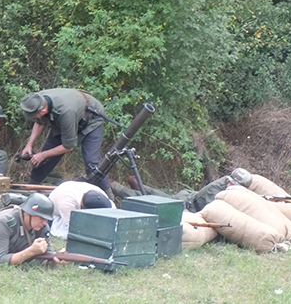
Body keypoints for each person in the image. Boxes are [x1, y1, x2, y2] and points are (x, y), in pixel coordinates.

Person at [20, 88, 110, 193]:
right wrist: (29, 145)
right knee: (44, 159)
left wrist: (43, 155)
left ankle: (108, 195)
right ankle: (31, 189)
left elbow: (69, 146)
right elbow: (40, 122)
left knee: (92, 162)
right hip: (66, 119)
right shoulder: (37, 100)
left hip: (91, 120)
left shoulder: (66, 111)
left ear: (43, 111)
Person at [111, 168, 254, 212]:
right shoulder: (218, 189)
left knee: (160, 195)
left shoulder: (224, 183)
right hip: (186, 203)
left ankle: (143, 186)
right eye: (231, 184)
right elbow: (209, 210)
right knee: (149, 200)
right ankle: (113, 185)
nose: (231, 186)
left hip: (187, 196)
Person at [48, 181, 114, 239]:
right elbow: (72, 228)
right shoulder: (67, 203)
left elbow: (112, 211)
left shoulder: (99, 193)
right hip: (56, 210)